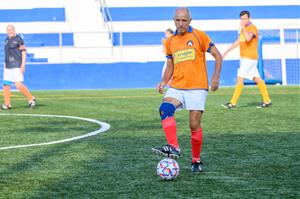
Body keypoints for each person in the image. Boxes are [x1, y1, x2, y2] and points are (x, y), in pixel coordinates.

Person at [152, 7, 222, 173]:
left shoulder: (200, 35)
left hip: (197, 86)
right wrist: (164, 81)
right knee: (165, 109)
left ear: (190, 20)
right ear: (173, 20)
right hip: (177, 85)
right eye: (178, 20)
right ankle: (174, 146)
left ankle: (196, 160)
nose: (181, 23)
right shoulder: (170, 41)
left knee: (194, 125)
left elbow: (218, 56)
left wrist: (216, 77)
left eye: (184, 20)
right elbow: (170, 64)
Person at [222, 10, 271, 109]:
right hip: (246, 58)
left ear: (249, 18)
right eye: (241, 19)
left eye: (244, 18)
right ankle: (267, 100)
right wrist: (227, 51)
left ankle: (233, 103)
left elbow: (248, 38)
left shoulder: (252, 28)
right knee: (257, 78)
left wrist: (243, 27)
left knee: (240, 78)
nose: (243, 21)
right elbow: (238, 41)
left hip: (250, 57)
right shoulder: (243, 30)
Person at [2, 24, 36, 110]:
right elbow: (7, 53)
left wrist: (23, 65)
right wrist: (5, 64)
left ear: (14, 30)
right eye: (8, 30)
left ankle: (31, 99)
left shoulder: (19, 40)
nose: (9, 31)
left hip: (16, 65)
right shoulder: (6, 40)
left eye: (11, 30)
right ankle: (7, 104)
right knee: (6, 84)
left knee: (18, 84)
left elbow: (23, 52)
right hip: (8, 66)